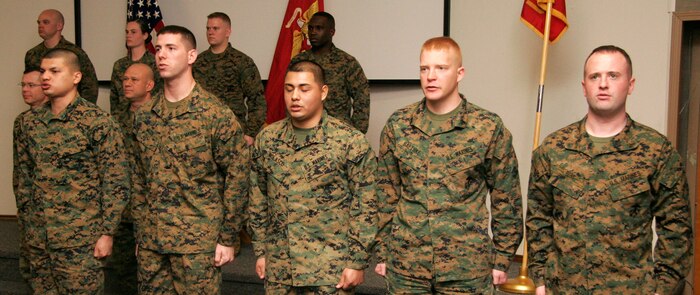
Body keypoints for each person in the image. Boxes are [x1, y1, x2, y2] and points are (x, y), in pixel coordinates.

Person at [527, 45, 693, 295]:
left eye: (613, 75)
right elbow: (538, 219)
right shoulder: (553, 149)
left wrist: (662, 289)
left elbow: (676, 228)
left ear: (630, 84)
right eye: (595, 76)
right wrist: (539, 280)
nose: (603, 84)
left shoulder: (656, 151)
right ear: (584, 87)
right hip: (563, 289)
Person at [374, 37, 523, 294]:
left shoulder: (487, 127)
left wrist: (502, 258)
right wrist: (383, 250)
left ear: (459, 73)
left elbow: (506, 197)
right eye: (424, 69)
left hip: (466, 267)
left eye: (441, 68)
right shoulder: (398, 125)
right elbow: (385, 193)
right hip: (407, 264)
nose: (431, 76)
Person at [133, 25, 250, 294]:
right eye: (159, 49)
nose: (161, 55)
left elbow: (238, 176)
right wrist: (141, 233)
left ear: (191, 56)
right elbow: (139, 179)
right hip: (153, 241)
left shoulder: (214, 114)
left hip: (197, 243)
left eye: (172, 49)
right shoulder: (145, 115)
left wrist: (228, 237)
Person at [249, 60, 378, 294]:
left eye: (304, 88)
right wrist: (261, 251)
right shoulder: (267, 139)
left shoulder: (349, 141)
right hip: (280, 268)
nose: (295, 96)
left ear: (323, 92)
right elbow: (258, 197)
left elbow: (366, 205)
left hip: (329, 271)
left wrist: (356, 261)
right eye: (289, 89)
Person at [13, 48, 130, 294]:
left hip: (80, 240)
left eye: (55, 71)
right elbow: (22, 178)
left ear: (76, 77)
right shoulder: (27, 123)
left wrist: (107, 233)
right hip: (39, 238)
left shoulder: (97, 123)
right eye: (43, 71)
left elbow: (115, 183)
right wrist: (28, 225)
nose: (45, 77)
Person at [105, 62, 156, 294]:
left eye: (133, 80)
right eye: (125, 79)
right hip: (122, 209)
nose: (126, 83)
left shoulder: (160, 117)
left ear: (149, 85)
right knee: (120, 271)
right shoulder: (113, 120)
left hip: (152, 210)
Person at [290, 11, 370, 133]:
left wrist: (356, 134)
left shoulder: (347, 62)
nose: (313, 32)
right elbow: (290, 95)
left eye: (319, 28)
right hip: (304, 130)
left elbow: (362, 98)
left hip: (337, 133)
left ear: (331, 32)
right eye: (310, 28)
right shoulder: (298, 61)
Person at [193, 12, 267, 146]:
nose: (210, 32)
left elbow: (257, 100)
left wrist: (250, 133)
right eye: (208, 28)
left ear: (228, 32)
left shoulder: (242, 62)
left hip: (233, 134)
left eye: (215, 28)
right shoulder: (197, 62)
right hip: (202, 134)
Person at [12, 68, 49, 283]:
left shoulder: (54, 119)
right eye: (23, 85)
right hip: (28, 205)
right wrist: (21, 202)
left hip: (54, 213)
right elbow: (20, 167)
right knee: (30, 269)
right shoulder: (22, 121)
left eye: (31, 85)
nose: (25, 90)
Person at [25, 9, 99, 104]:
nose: (40, 26)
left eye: (46, 22)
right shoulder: (32, 54)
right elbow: (30, 83)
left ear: (59, 26)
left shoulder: (74, 52)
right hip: (40, 111)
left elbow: (90, 86)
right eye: (39, 23)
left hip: (70, 109)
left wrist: (84, 111)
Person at [109, 19, 161, 120]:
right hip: (123, 118)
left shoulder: (155, 63)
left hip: (148, 117)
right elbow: (114, 97)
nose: (128, 35)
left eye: (133, 32)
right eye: (127, 32)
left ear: (145, 35)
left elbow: (160, 94)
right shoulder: (119, 65)